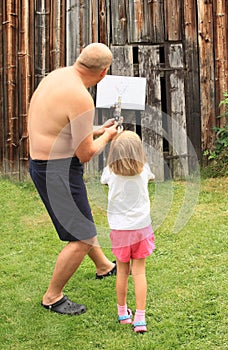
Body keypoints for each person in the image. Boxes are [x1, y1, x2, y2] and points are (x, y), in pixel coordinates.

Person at [28, 43, 118, 315]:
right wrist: (107, 136)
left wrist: (95, 128)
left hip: (45, 164)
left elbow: (60, 123)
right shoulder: (81, 97)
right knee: (81, 236)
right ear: (103, 73)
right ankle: (52, 297)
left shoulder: (57, 76)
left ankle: (104, 266)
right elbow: (86, 153)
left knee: (83, 221)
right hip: (58, 170)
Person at [100, 131, 155, 333]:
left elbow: (103, 181)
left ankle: (123, 313)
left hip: (120, 231)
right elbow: (149, 176)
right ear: (139, 152)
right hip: (141, 229)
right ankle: (140, 318)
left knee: (122, 272)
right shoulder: (144, 170)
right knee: (139, 272)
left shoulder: (109, 172)